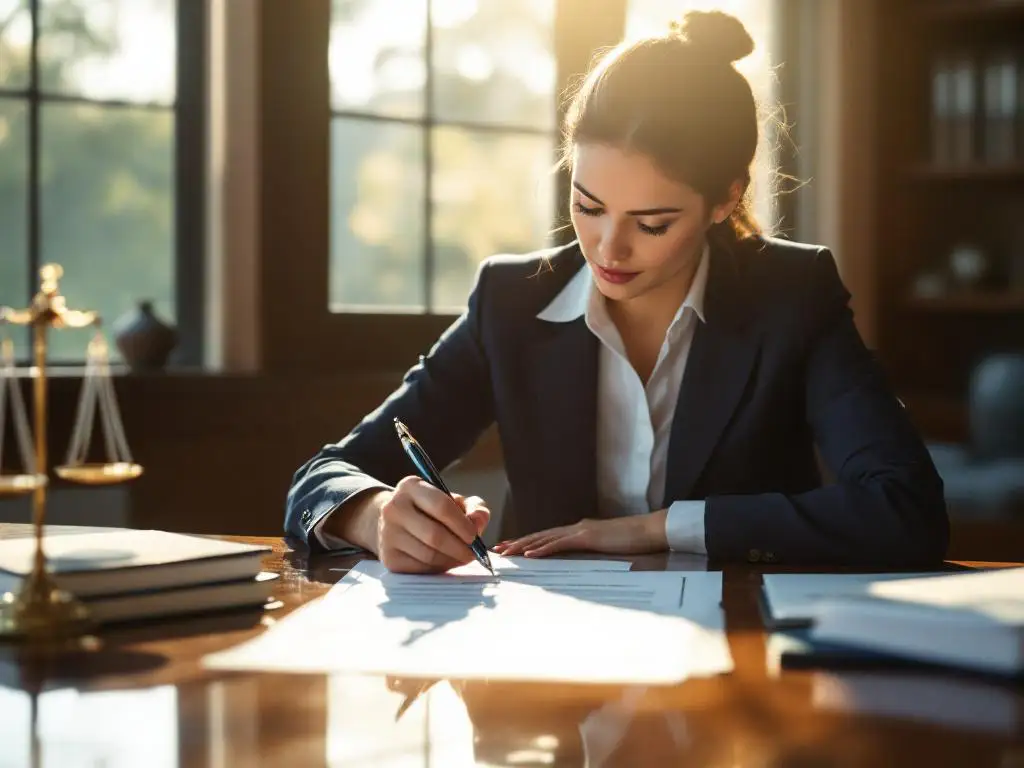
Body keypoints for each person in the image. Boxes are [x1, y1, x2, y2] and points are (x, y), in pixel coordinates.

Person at [285, 11, 948, 573]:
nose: (607, 249)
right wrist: (372, 516)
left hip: (734, 669)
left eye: (652, 223)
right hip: (550, 672)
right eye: (588, 205)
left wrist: (656, 527)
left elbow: (905, 509)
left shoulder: (791, 297)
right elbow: (323, 477)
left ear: (725, 199)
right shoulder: (511, 302)